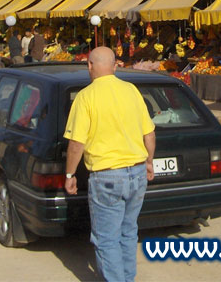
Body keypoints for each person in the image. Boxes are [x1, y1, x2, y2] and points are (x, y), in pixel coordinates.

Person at [64, 46, 155, 282]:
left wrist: (70, 175)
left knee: (106, 239)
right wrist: (149, 161)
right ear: (115, 66)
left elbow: (76, 144)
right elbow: (149, 133)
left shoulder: (86, 97)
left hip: (107, 177)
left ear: (90, 66)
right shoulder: (131, 90)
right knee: (128, 232)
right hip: (137, 173)